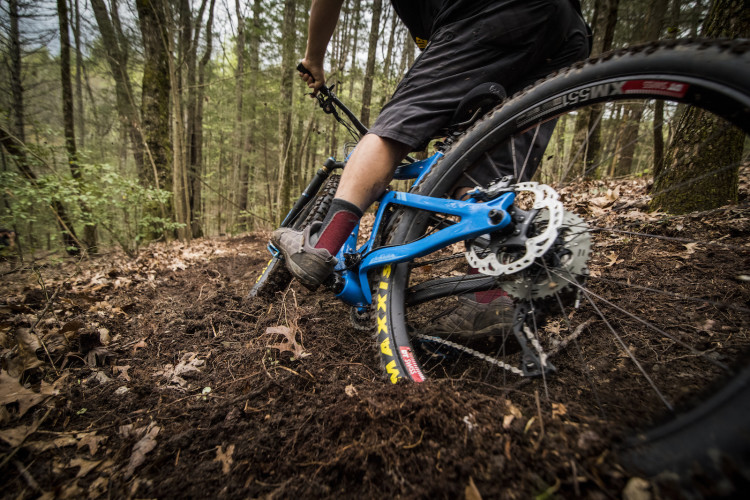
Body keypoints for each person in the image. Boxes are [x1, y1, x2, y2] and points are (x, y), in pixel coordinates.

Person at [273, 0, 590, 337]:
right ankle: (486, 299)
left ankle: (321, 246)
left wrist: (314, 59)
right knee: (488, 171)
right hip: (567, 34)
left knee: (392, 132)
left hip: (492, 12)